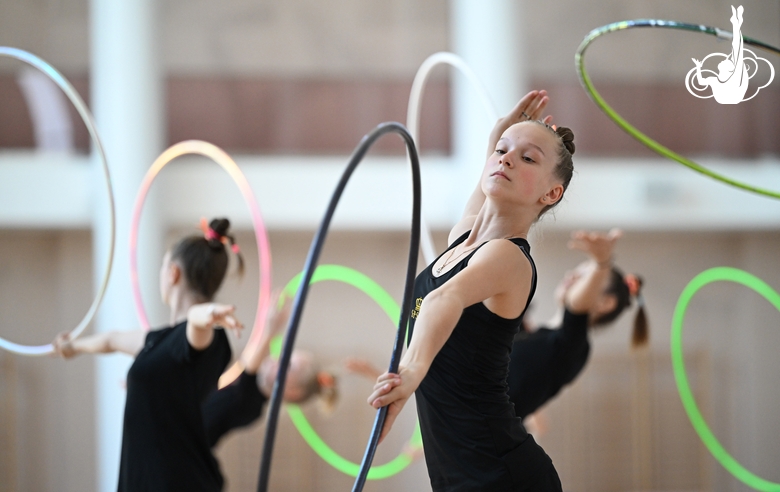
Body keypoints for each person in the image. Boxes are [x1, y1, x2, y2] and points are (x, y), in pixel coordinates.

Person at [368, 90, 572, 491]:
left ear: (551, 194)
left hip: (500, 474)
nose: (506, 158)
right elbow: (488, 174)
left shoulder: (508, 258)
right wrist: (501, 134)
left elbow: (445, 297)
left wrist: (409, 373)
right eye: (501, 151)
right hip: (458, 473)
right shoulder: (463, 237)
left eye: (528, 158)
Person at [53, 218, 244, 492]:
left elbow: (196, 326)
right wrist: (73, 346)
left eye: (163, 265)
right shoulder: (162, 341)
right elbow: (113, 339)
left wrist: (207, 314)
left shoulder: (203, 340)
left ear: (173, 273)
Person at [507, 228, 649, 425]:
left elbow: (576, 309)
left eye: (584, 277)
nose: (571, 276)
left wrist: (601, 264)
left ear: (605, 303)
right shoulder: (531, 332)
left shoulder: (573, 345)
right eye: (576, 271)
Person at [202, 293, 339, 448]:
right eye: (283, 356)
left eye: (287, 365)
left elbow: (248, 377)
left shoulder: (251, 408)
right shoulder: (242, 384)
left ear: (292, 392)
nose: (277, 360)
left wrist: (271, 331)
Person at [692, 5, 748, 104]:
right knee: (737, 52)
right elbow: (737, 49)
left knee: (737, 53)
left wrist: (698, 67)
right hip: (728, 98)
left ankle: (736, 23)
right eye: (729, 61)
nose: (725, 59)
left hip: (731, 98)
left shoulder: (732, 78)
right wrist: (736, 25)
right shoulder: (719, 80)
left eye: (727, 61)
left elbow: (737, 49)